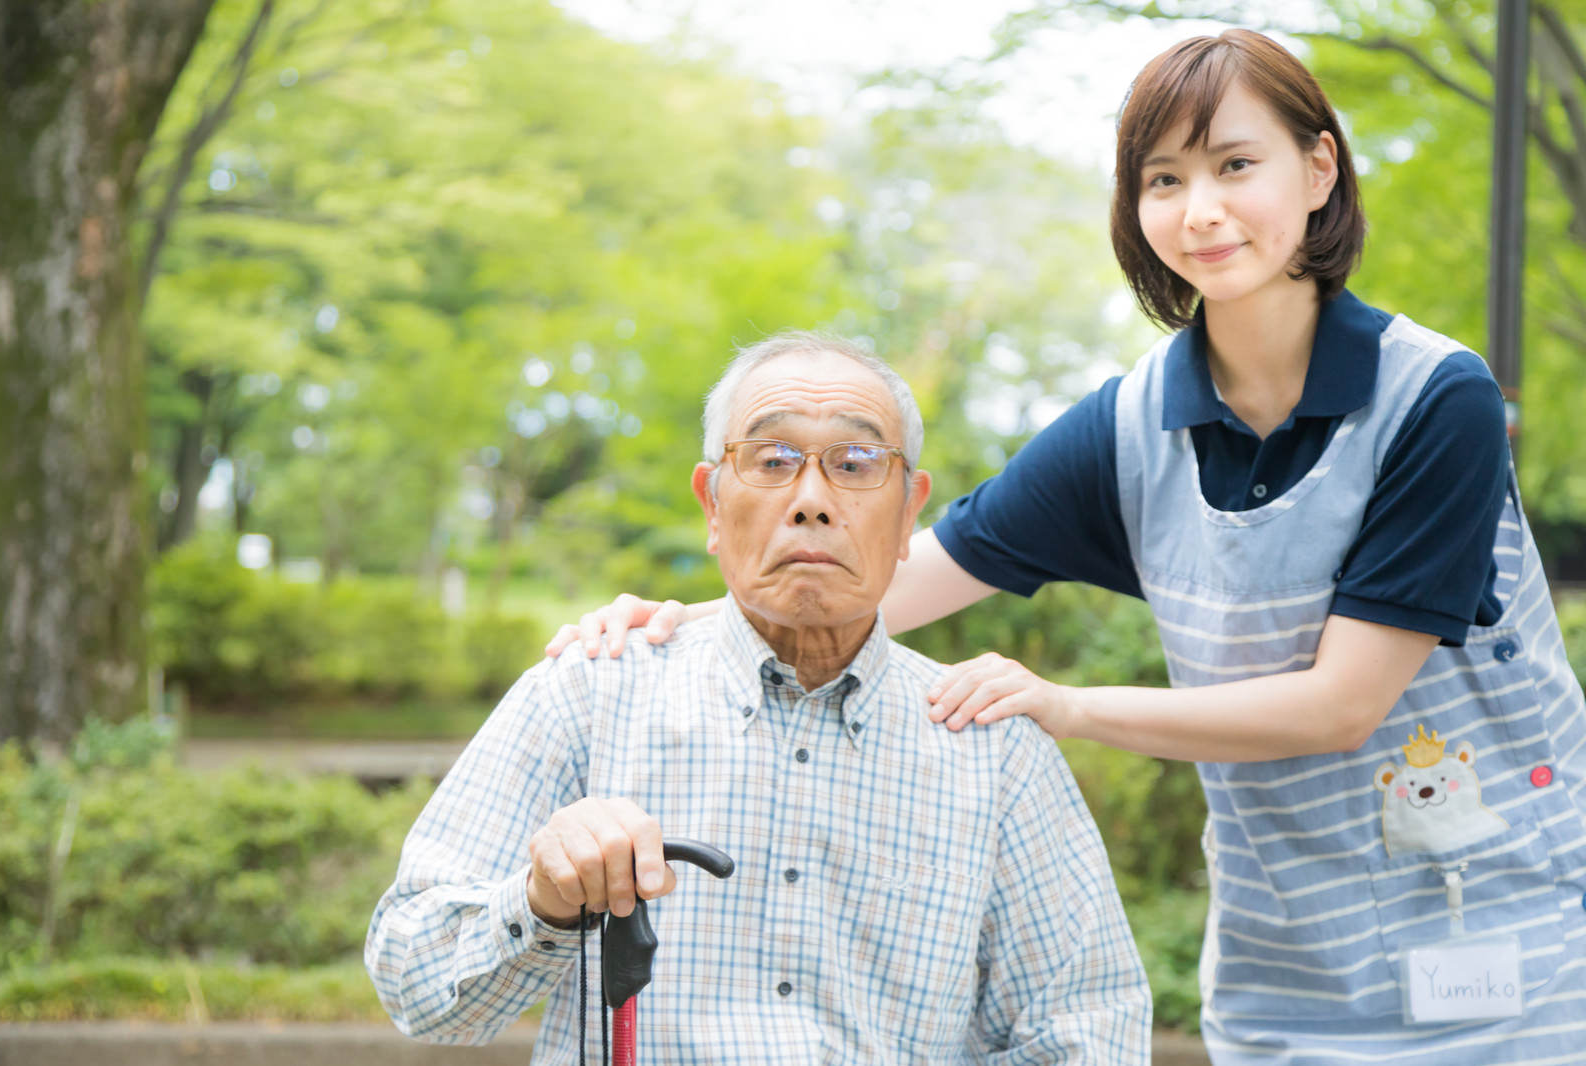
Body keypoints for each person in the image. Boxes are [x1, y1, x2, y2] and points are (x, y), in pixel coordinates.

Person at [546, 30, 1586, 1065]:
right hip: (1282, 964)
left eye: (1234, 165)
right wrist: (670, 625)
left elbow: (1340, 705)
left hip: (1502, 949)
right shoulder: (1131, 424)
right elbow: (889, 578)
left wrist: (1063, 706)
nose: (1200, 209)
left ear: (1317, 170)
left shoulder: (1433, 398)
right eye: (1163, 179)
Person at [364, 332, 1152, 1062]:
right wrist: (541, 899)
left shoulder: (992, 746)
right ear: (712, 504)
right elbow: (418, 989)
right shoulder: (588, 691)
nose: (811, 498)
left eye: (853, 462)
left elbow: (1088, 1028)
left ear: (910, 510)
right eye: (772, 460)